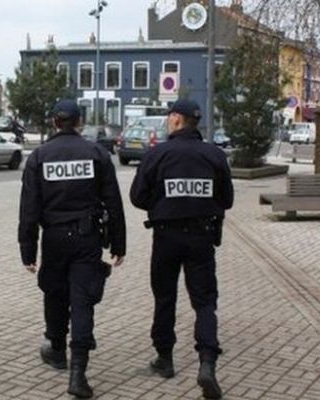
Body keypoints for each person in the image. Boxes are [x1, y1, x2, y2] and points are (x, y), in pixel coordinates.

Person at [18, 99, 126, 399]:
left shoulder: (39, 156)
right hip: (87, 238)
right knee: (82, 301)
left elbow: (28, 209)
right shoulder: (96, 154)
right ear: (79, 123)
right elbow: (113, 202)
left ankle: (55, 348)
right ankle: (78, 372)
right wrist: (119, 243)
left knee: (54, 293)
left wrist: (27, 250)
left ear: (55, 122)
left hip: (53, 238)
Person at [129, 99, 234, 399]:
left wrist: (162, 204)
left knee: (165, 297)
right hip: (201, 237)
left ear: (176, 120)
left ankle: (164, 359)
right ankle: (207, 363)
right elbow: (226, 200)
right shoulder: (214, 155)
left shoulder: (157, 154)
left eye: (168, 117)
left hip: (166, 236)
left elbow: (137, 196)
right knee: (204, 301)